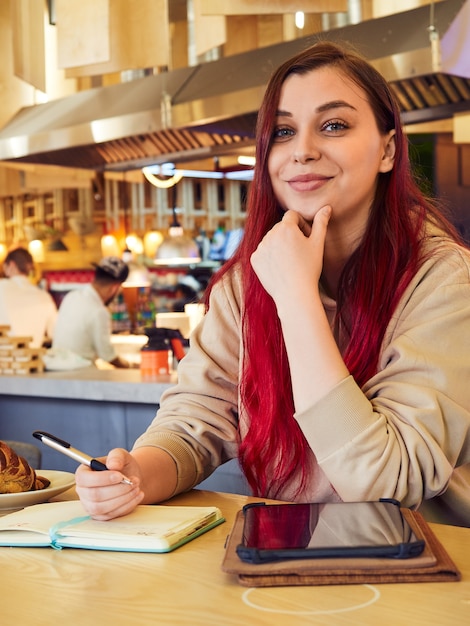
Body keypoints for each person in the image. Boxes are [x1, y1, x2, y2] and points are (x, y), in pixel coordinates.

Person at [76, 41, 470, 526]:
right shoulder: (245, 284)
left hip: (426, 568)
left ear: (387, 149)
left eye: (333, 125)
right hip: (287, 556)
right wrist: (137, 473)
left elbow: (384, 486)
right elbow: (198, 417)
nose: (302, 150)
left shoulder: (443, 280)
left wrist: (297, 296)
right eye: (283, 131)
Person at [52, 256, 131, 368]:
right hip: (81, 375)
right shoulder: (99, 311)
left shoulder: (71, 296)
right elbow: (107, 355)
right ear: (114, 288)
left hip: (55, 370)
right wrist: (131, 366)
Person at [0, 247, 57, 348]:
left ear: (11, 265)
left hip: (4, 359)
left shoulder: (2, 287)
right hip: (33, 359)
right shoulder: (44, 296)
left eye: (4, 267)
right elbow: (55, 332)